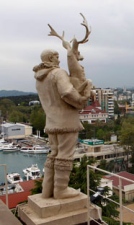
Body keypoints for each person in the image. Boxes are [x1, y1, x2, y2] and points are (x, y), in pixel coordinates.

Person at [33, 49, 91, 199]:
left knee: (54, 154)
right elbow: (66, 92)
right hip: (66, 121)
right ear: (51, 58)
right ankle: (61, 190)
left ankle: (47, 191)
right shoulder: (58, 73)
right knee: (65, 155)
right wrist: (81, 101)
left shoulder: (40, 78)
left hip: (51, 121)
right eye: (57, 56)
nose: (59, 60)